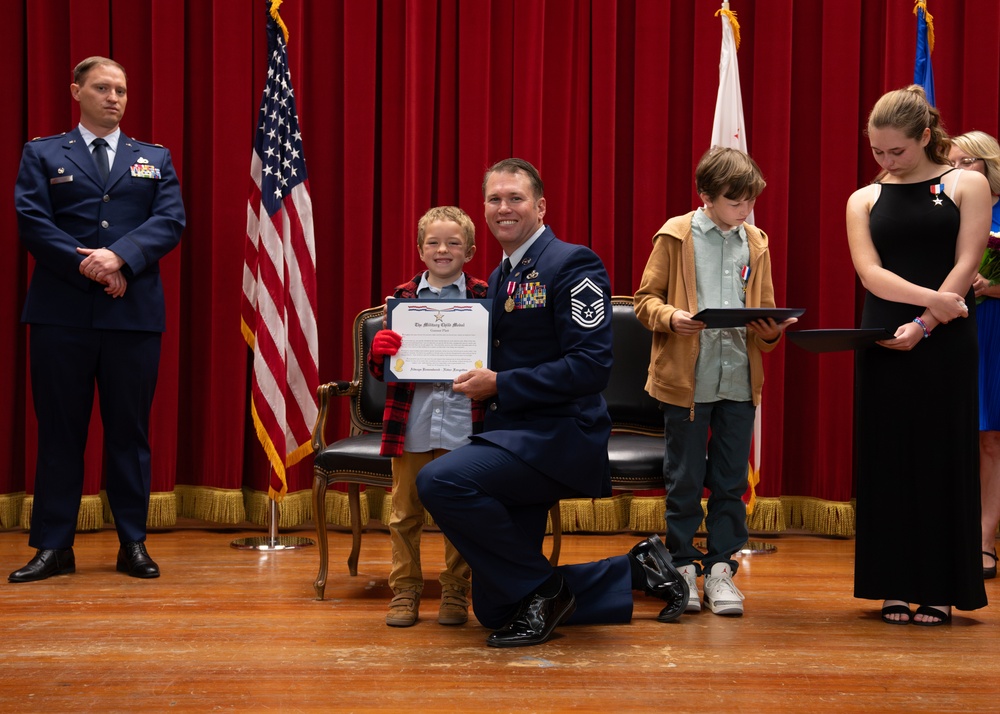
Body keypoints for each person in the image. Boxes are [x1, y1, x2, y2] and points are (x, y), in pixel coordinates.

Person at [416, 158, 689, 649]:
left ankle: (547, 588)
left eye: (515, 198)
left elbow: (591, 368)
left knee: (440, 480)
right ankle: (637, 568)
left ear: (540, 206)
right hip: (510, 437)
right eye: (495, 199)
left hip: (559, 437)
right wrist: (400, 351)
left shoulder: (573, 264)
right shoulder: (498, 278)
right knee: (496, 607)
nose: (504, 208)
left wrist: (501, 384)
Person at [10, 56, 185, 583]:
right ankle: (53, 546)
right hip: (61, 314)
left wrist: (120, 258)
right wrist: (90, 265)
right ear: (76, 92)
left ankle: (132, 542)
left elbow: (170, 220)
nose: (114, 97)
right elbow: (32, 220)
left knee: (128, 433)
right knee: (60, 432)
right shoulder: (42, 153)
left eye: (122, 90)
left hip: (132, 317)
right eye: (103, 88)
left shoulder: (153, 157)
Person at [846, 86, 990, 625]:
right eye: (877, 152)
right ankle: (892, 583)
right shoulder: (862, 197)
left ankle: (938, 586)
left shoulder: (966, 184)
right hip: (884, 333)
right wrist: (933, 302)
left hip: (944, 338)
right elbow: (870, 272)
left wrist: (928, 322)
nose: (884, 162)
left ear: (925, 137)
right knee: (888, 455)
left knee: (941, 453)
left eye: (896, 152)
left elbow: (966, 258)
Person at [634, 147, 795, 617]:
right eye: (734, 201)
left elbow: (762, 315)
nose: (744, 211)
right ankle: (683, 566)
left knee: (729, 481)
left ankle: (721, 569)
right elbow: (644, 301)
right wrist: (672, 316)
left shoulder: (756, 241)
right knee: (683, 479)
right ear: (705, 196)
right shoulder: (676, 235)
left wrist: (769, 332)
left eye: (749, 202)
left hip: (739, 382)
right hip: (688, 380)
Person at [367, 206, 488, 627]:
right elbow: (385, 371)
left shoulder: (484, 298)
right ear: (420, 250)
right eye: (434, 243)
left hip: (464, 424)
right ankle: (405, 590)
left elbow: (497, 361)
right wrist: (378, 353)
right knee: (404, 512)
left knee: (462, 513)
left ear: (469, 250)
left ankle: (456, 589)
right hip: (413, 423)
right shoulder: (401, 299)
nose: (443, 250)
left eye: (454, 243)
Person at [948, 131, 1000, 581]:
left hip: (994, 329)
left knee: (990, 439)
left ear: (989, 166)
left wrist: (992, 285)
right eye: (953, 162)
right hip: (950, 325)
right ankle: (946, 536)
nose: (959, 171)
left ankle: (983, 541)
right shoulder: (942, 206)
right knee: (950, 433)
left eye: (968, 162)